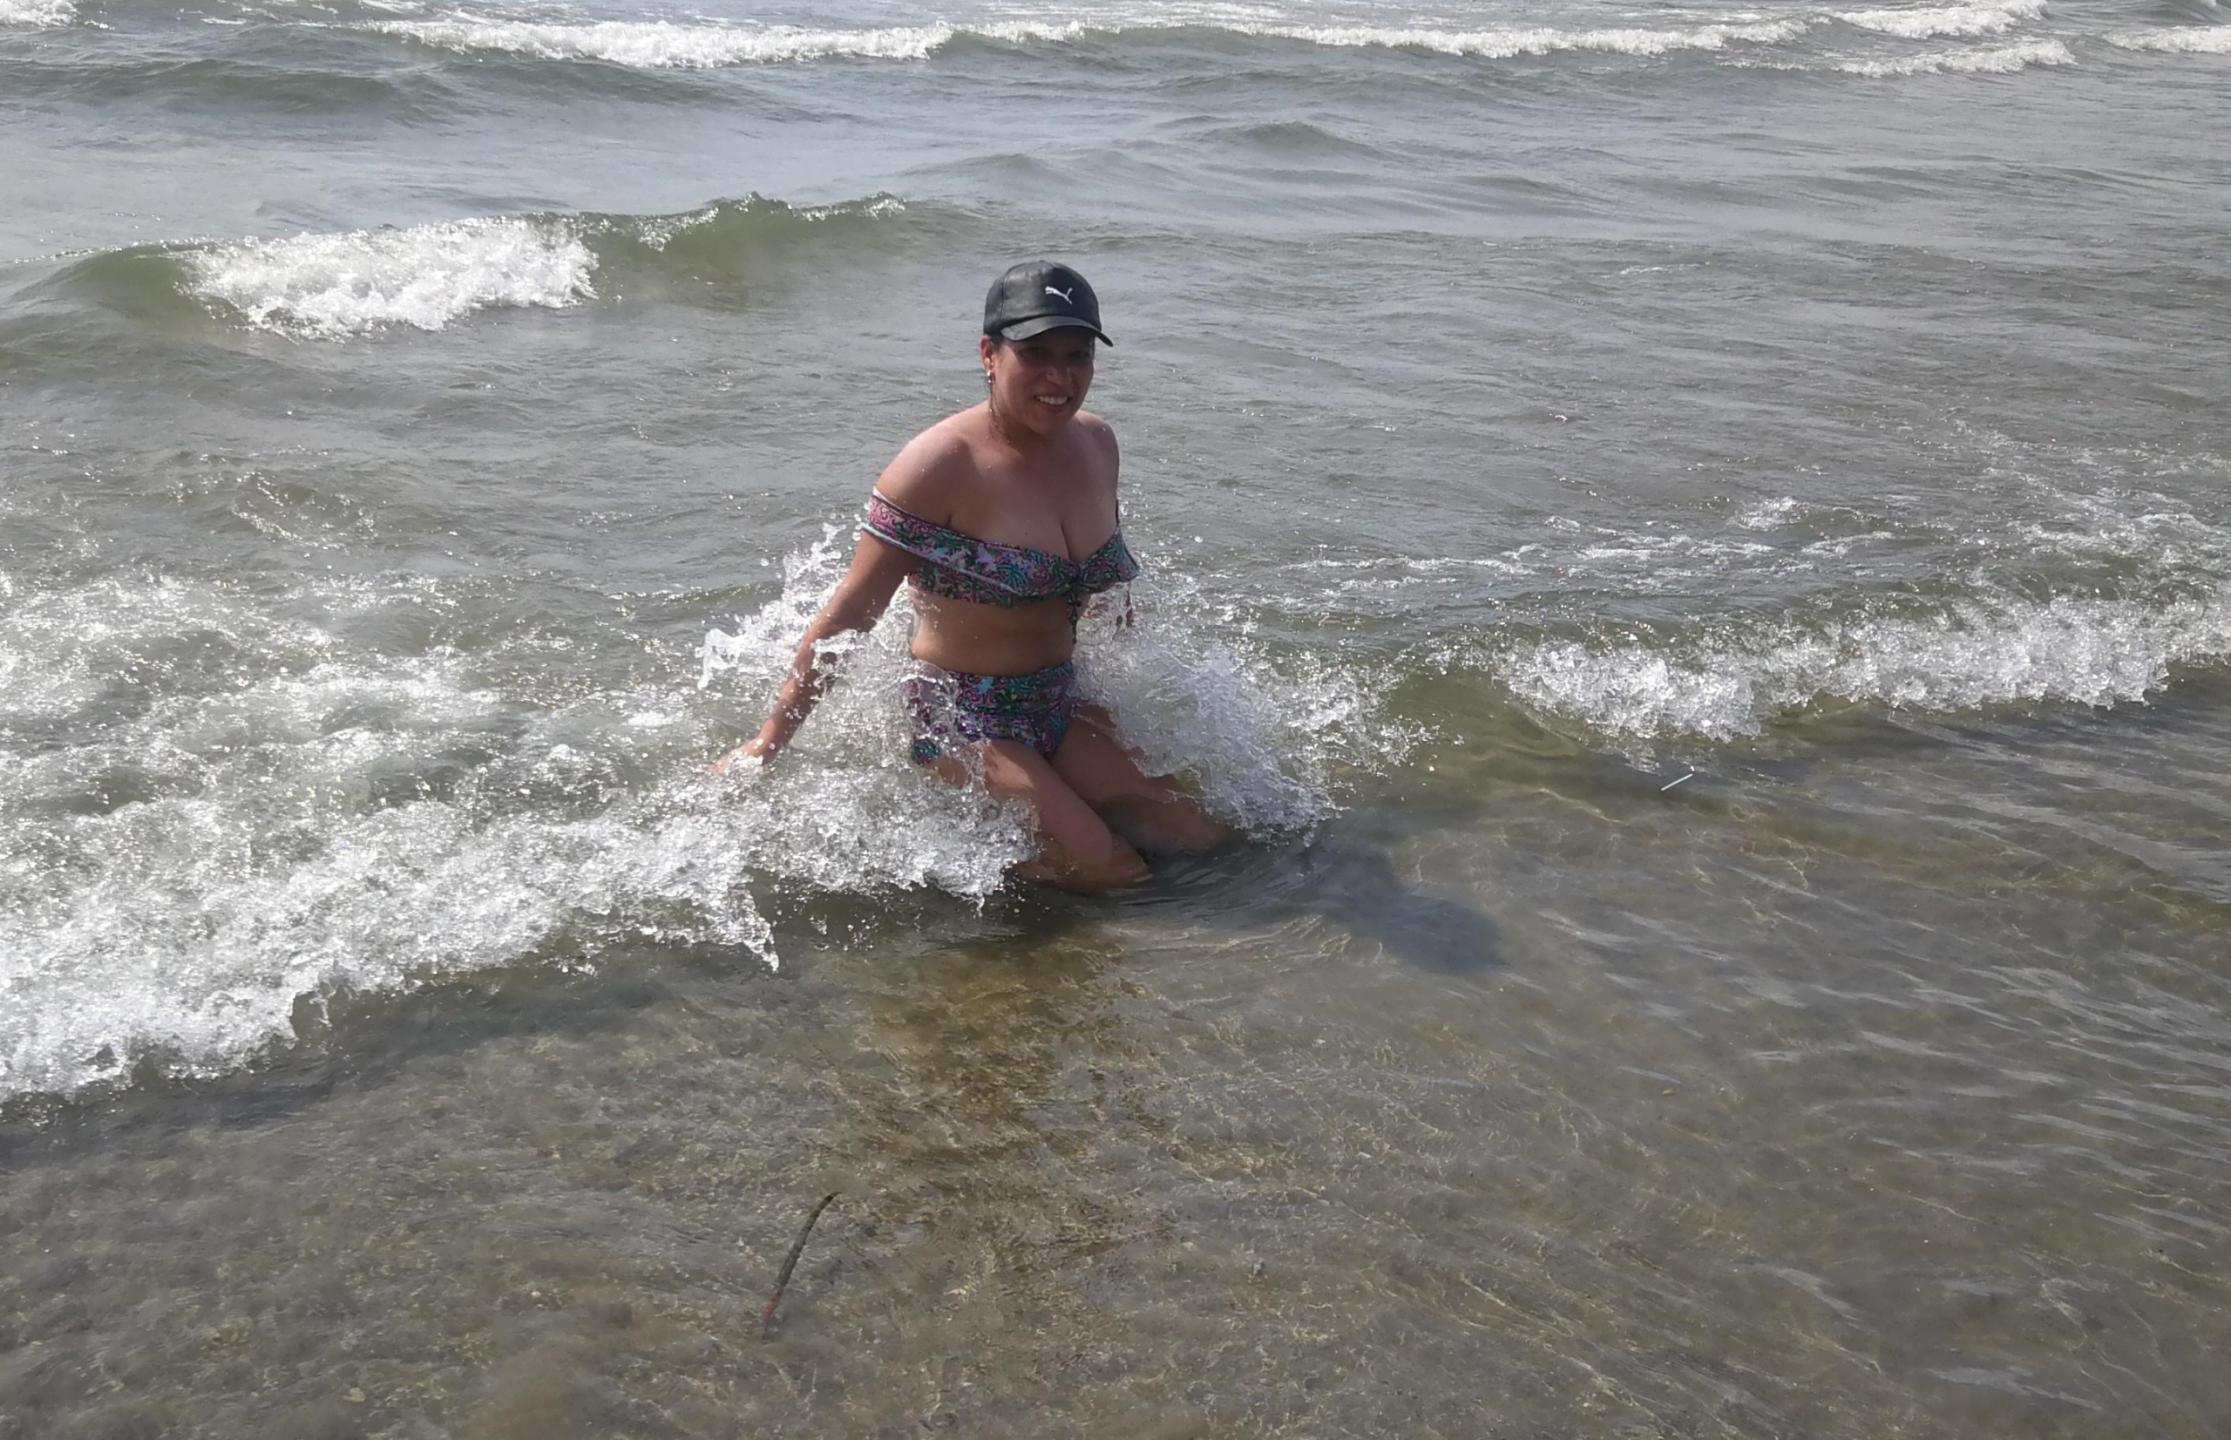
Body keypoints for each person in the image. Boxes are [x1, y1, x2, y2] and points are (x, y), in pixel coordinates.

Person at [712, 261, 1228, 891]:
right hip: (959, 718)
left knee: (1201, 839)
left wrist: (1120, 695)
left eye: (1078, 355)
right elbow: (852, 612)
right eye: (1036, 354)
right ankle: (943, 874)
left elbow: (1101, 581)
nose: (1060, 377)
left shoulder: (1096, 444)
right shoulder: (939, 464)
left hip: (1056, 700)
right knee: (1113, 868)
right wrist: (768, 742)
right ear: (989, 354)